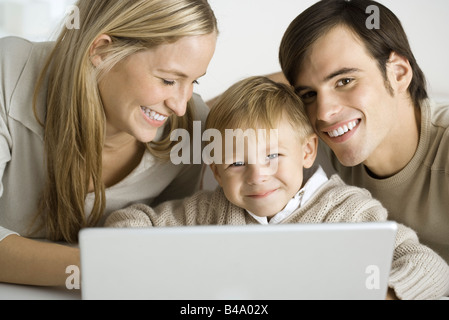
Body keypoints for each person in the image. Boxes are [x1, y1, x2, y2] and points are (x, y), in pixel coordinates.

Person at [106, 76, 449, 300]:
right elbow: (130, 222)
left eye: (273, 156)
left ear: (307, 151)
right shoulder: (208, 210)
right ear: (217, 171)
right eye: (237, 163)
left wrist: (382, 293)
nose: (258, 175)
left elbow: (429, 267)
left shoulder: (348, 210)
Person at [0, 0, 217, 286]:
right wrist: (102, 267)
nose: (180, 105)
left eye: (194, 83)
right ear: (102, 50)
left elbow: (168, 244)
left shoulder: (190, 127)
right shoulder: (9, 72)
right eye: (167, 80)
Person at [274, 0, 449, 264]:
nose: (323, 113)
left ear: (399, 74)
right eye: (308, 94)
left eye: (344, 81)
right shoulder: (326, 143)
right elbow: (254, 96)